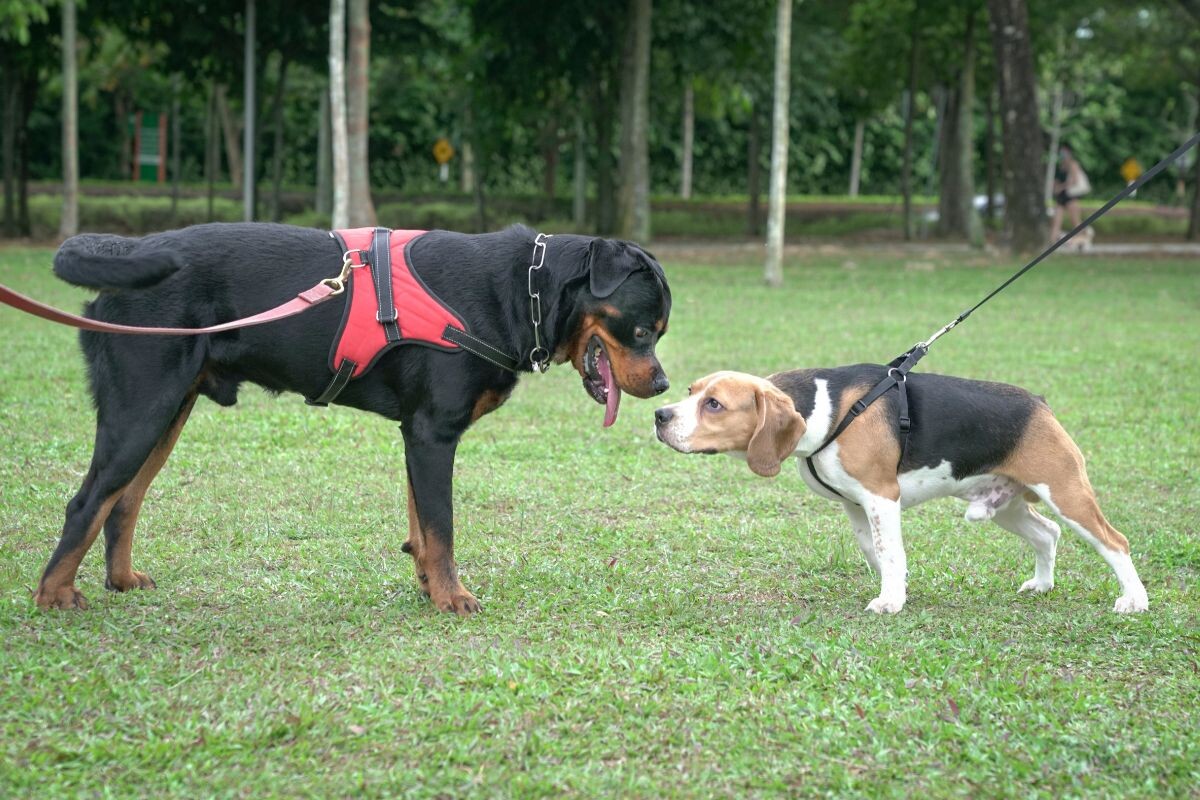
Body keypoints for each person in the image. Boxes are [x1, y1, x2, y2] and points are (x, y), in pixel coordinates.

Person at [1049, 144, 1093, 250]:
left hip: (1070, 197)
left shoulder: (1073, 165)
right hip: (1061, 197)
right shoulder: (1060, 166)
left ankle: (1084, 239)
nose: (1062, 155)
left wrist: (1061, 186)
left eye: (1064, 152)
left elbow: (1074, 181)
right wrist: (1057, 187)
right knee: (1056, 221)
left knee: (1076, 222)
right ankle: (1052, 244)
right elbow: (1055, 183)